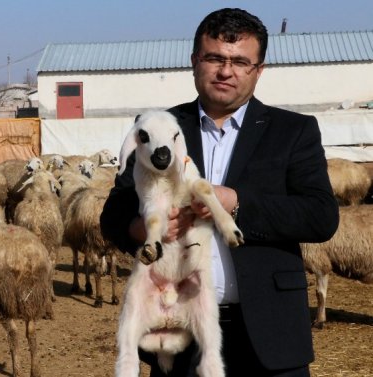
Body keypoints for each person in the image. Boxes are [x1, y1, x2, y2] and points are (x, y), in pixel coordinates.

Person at [100, 7, 339, 377]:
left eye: (240, 61)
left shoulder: (293, 131)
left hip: (268, 335)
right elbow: (114, 215)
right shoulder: (157, 126)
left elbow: (320, 215)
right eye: (214, 58)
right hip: (177, 329)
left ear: (259, 70)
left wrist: (237, 203)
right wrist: (143, 231)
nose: (226, 71)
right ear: (195, 61)